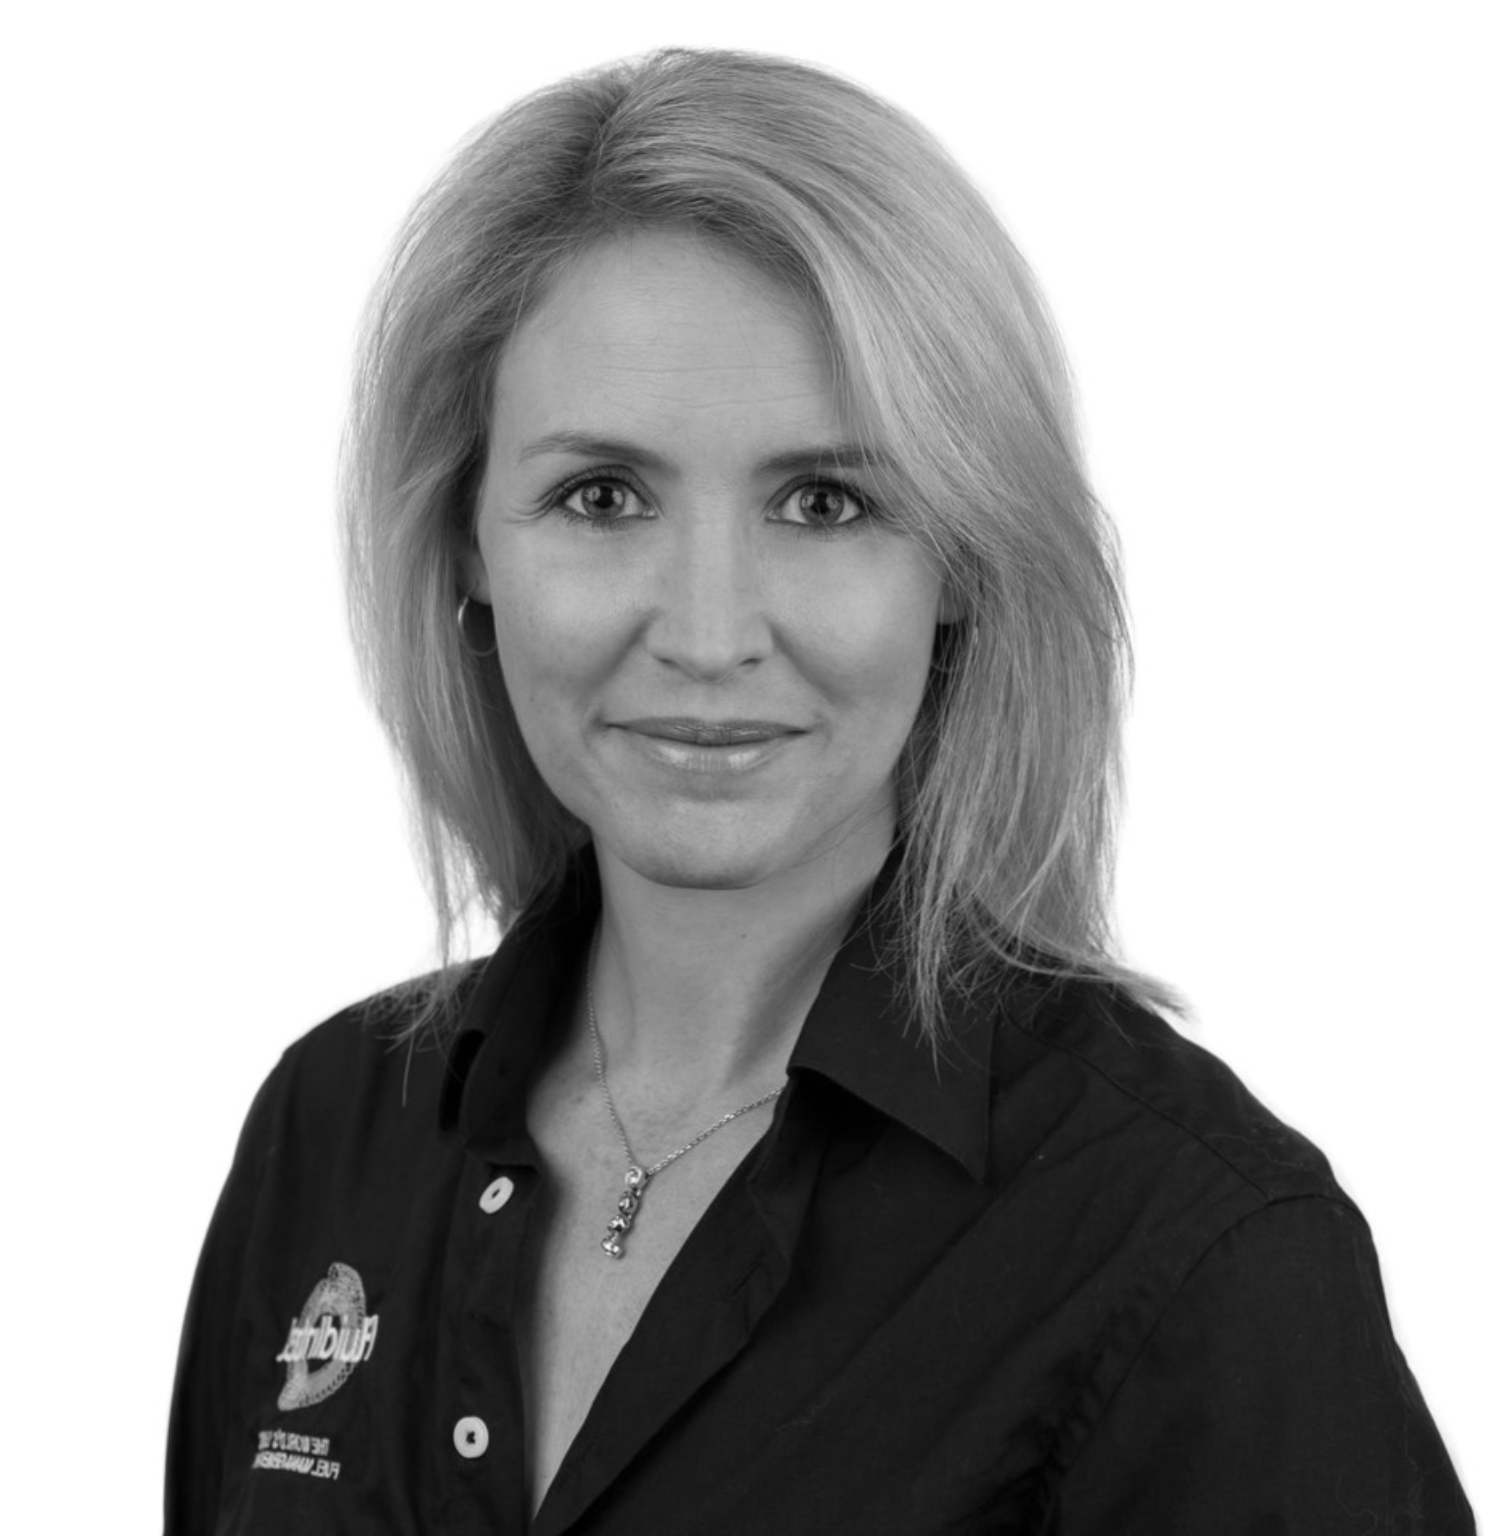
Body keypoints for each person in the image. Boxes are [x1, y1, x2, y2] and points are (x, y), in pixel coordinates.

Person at [164, 47, 1473, 1534]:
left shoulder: (1201, 1254)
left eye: (826, 502)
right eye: (602, 496)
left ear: (963, 560)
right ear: (467, 540)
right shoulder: (334, 1129)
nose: (709, 632)